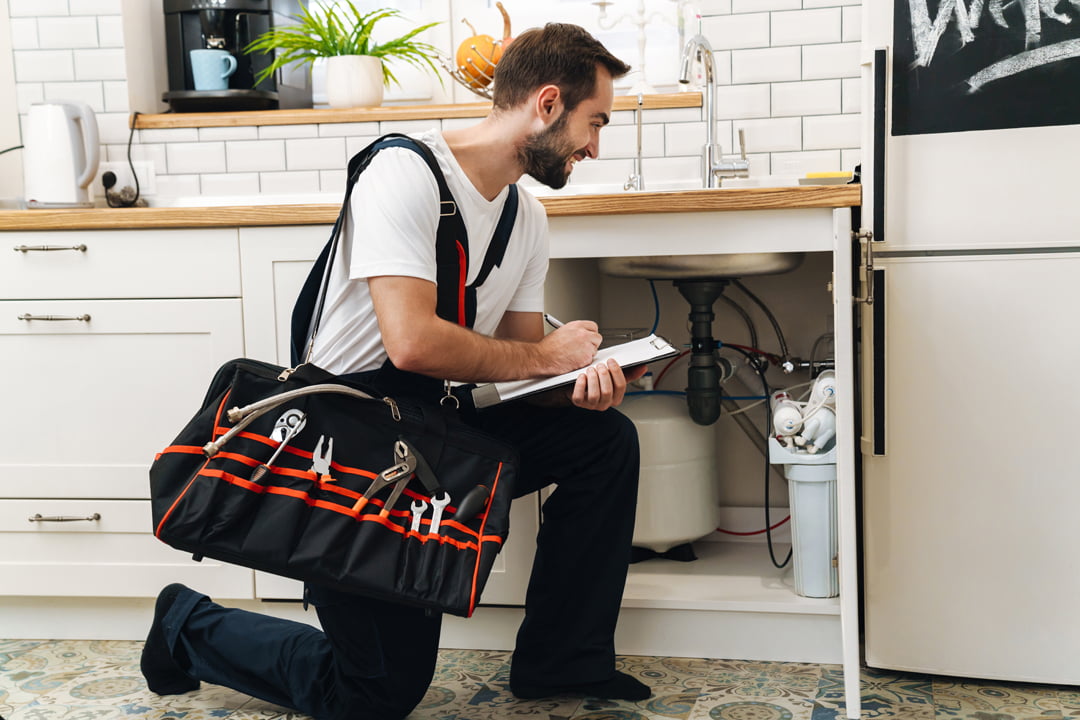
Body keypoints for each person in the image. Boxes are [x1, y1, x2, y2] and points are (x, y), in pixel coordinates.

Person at [140, 23, 652, 720]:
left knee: (604, 442)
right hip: (354, 438)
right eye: (595, 123)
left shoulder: (525, 217)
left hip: (442, 419)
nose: (596, 146)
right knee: (373, 695)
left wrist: (579, 383)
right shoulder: (404, 173)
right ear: (549, 103)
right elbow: (410, 343)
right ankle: (186, 625)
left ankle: (561, 660)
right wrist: (548, 360)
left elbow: (527, 362)